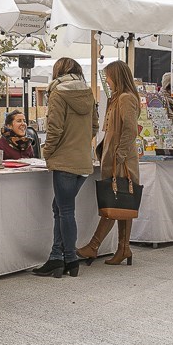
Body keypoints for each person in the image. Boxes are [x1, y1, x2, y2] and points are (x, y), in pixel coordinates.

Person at [33, 57, 98, 278]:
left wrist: (47, 152)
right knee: (60, 208)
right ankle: (56, 258)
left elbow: (54, 129)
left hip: (64, 160)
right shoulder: (88, 93)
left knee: (65, 210)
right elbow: (94, 126)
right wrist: (79, 143)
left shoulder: (58, 93)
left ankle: (69, 259)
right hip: (82, 161)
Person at [77, 60, 141, 266]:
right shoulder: (118, 98)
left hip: (121, 161)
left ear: (117, 76)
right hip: (115, 158)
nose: (108, 81)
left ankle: (94, 246)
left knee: (115, 201)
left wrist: (120, 155)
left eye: (109, 76)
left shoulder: (125, 98)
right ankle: (124, 248)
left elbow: (130, 130)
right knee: (122, 203)